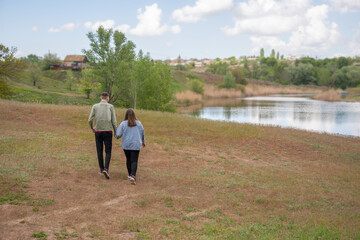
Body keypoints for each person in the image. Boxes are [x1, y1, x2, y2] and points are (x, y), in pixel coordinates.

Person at [88, 92, 117, 179]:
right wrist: (116, 131)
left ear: (101, 97)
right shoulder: (110, 106)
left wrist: (92, 127)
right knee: (108, 151)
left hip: (98, 131)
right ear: (107, 98)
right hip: (108, 131)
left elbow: (90, 119)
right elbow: (114, 121)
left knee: (99, 150)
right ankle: (106, 168)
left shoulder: (95, 106)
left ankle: (101, 169)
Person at [115, 109, 145, 185]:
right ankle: (133, 175)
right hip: (136, 144)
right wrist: (143, 141)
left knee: (128, 159)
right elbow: (142, 133)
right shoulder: (139, 123)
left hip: (126, 144)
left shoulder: (123, 124)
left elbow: (118, 135)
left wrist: (115, 134)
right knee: (134, 160)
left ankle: (130, 174)